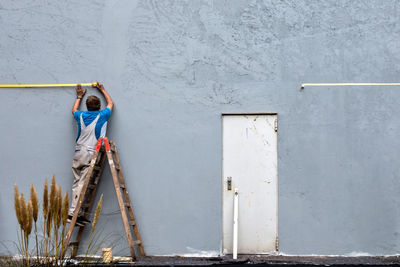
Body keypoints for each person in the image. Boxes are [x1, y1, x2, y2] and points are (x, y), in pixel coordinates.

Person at [68, 82, 114, 225]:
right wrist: (103, 89)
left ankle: (78, 214)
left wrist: (79, 96)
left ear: (87, 107)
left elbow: (73, 109)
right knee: (83, 184)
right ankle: (72, 214)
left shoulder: (80, 115)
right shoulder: (102, 115)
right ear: (98, 106)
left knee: (78, 182)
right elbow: (111, 103)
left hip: (78, 152)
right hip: (89, 153)